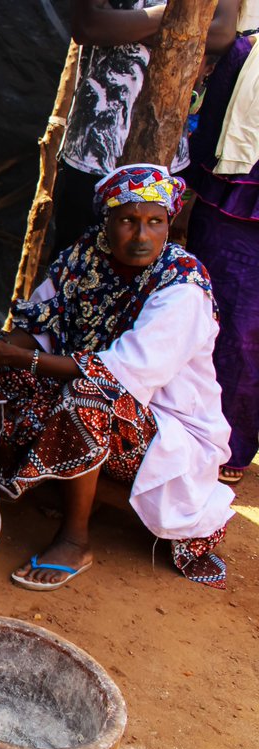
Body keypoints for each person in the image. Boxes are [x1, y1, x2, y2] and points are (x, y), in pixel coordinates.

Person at [0, 165, 233, 591]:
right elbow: (40, 323)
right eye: (128, 221)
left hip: (167, 430)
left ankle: (75, 539)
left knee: (87, 392)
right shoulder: (86, 254)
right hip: (90, 392)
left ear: (170, 222)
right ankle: (11, 479)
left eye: (155, 221)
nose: (142, 235)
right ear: (107, 221)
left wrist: (7, 353)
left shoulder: (182, 287)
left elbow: (119, 374)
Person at [51, 0, 241, 254]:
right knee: (75, 262)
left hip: (167, 157)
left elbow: (221, 35)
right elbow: (90, 25)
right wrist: (181, 18)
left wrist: (125, 23)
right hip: (93, 149)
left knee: (144, 272)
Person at [186, 32, 259, 483]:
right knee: (217, 316)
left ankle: (231, 446)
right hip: (232, 195)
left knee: (250, 333)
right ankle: (195, 435)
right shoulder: (245, 47)